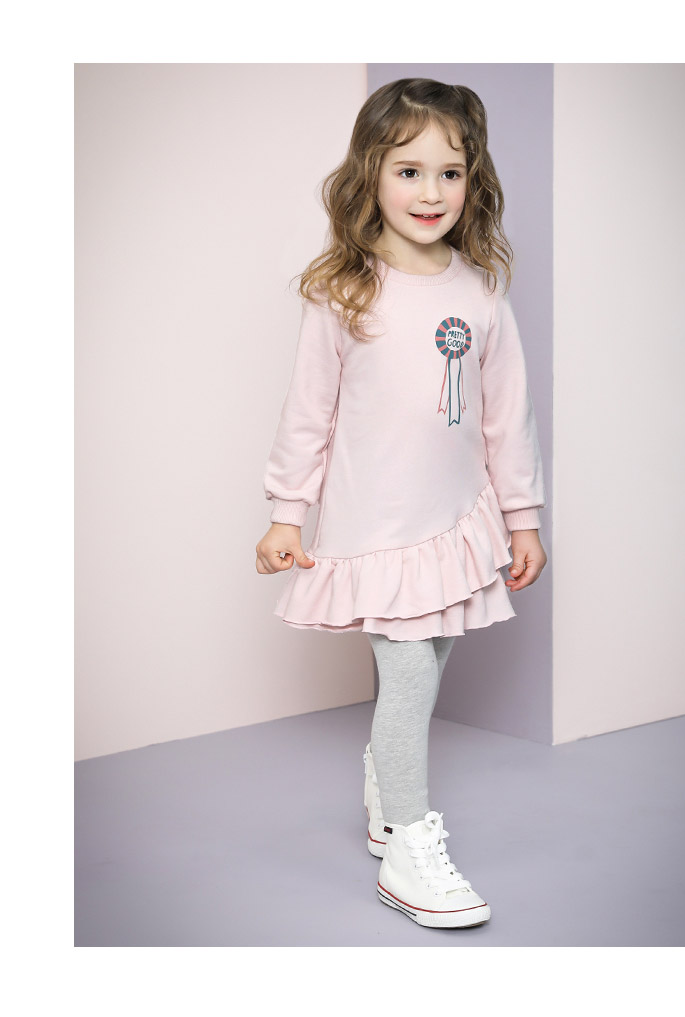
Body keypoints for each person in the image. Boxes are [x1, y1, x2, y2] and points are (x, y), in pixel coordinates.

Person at [255, 78, 547, 930]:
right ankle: (409, 848)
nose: (431, 192)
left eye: (450, 173)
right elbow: (308, 411)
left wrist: (522, 518)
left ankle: (387, 788)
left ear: (473, 180)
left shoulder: (481, 290)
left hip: (457, 520)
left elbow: (508, 416)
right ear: (370, 174)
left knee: (428, 662)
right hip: (378, 524)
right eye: (409, 170)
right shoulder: (344, 290)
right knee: (411, 675)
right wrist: (286, 511)